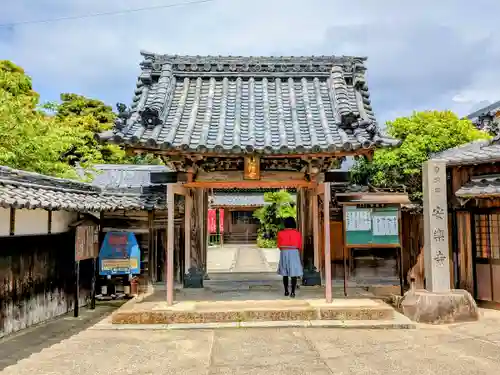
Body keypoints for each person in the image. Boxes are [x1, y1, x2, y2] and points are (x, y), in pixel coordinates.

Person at [277, 217, 303, 297]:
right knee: (294, 273)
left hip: (284, 251)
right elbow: (300, 245)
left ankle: (286, 291)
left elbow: (279, 245)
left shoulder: (280, 233)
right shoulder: (297, 233)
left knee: (284, 273)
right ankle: (293, 292)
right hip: (294, 252)